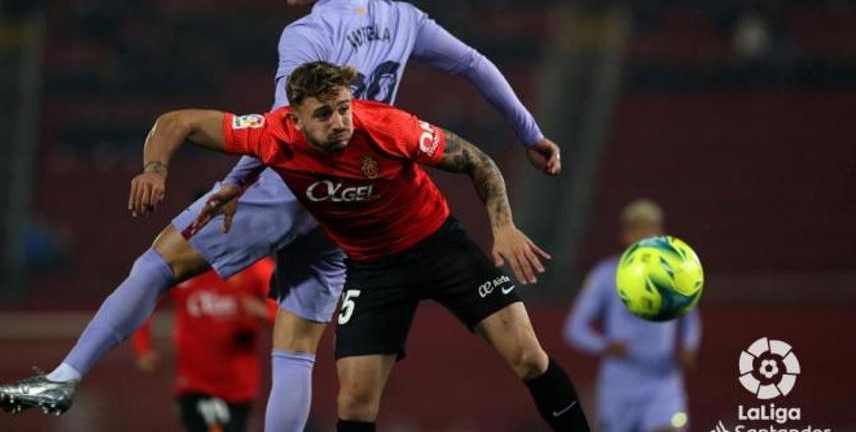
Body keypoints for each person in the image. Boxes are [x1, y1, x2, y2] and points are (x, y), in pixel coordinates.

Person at [0, 0, 561, 429]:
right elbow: (474, 64)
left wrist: (232, 185)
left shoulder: (305, 35)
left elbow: (283, 128)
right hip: (351, 208)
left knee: (159, 264)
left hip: (293, 184)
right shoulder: (402, 18)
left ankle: (65, 377)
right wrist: (529, 131)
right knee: (296, 351)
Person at [131, 60, 590, 432]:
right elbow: (177, 121)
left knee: (529, 358)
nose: (339, 122)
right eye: (324, 113)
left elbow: (477, 160)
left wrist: (503, 227)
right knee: (353, 402)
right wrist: (154, 168)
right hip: (373, 270)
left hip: (440, 247)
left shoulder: (390, 128)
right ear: (295, 118)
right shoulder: (271, 134)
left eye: (344, 108)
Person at [564, 199, 701, 432]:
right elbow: (575, 329)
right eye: (640, 228)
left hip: (663, 378)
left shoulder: (676, 273)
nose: (647, 234)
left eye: (653, 228)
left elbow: (690, 317)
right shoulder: (605, 275)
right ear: (626, 235)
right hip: (620, 381)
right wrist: (605, 345)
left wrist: (689, 346)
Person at [132, 257, 278, 432]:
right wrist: (143, 349)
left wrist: (264, 312)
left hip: (240, 386)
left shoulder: (256, 267)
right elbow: (143, 302)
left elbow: (287, 315)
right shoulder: (184, 265)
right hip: (194, 384)